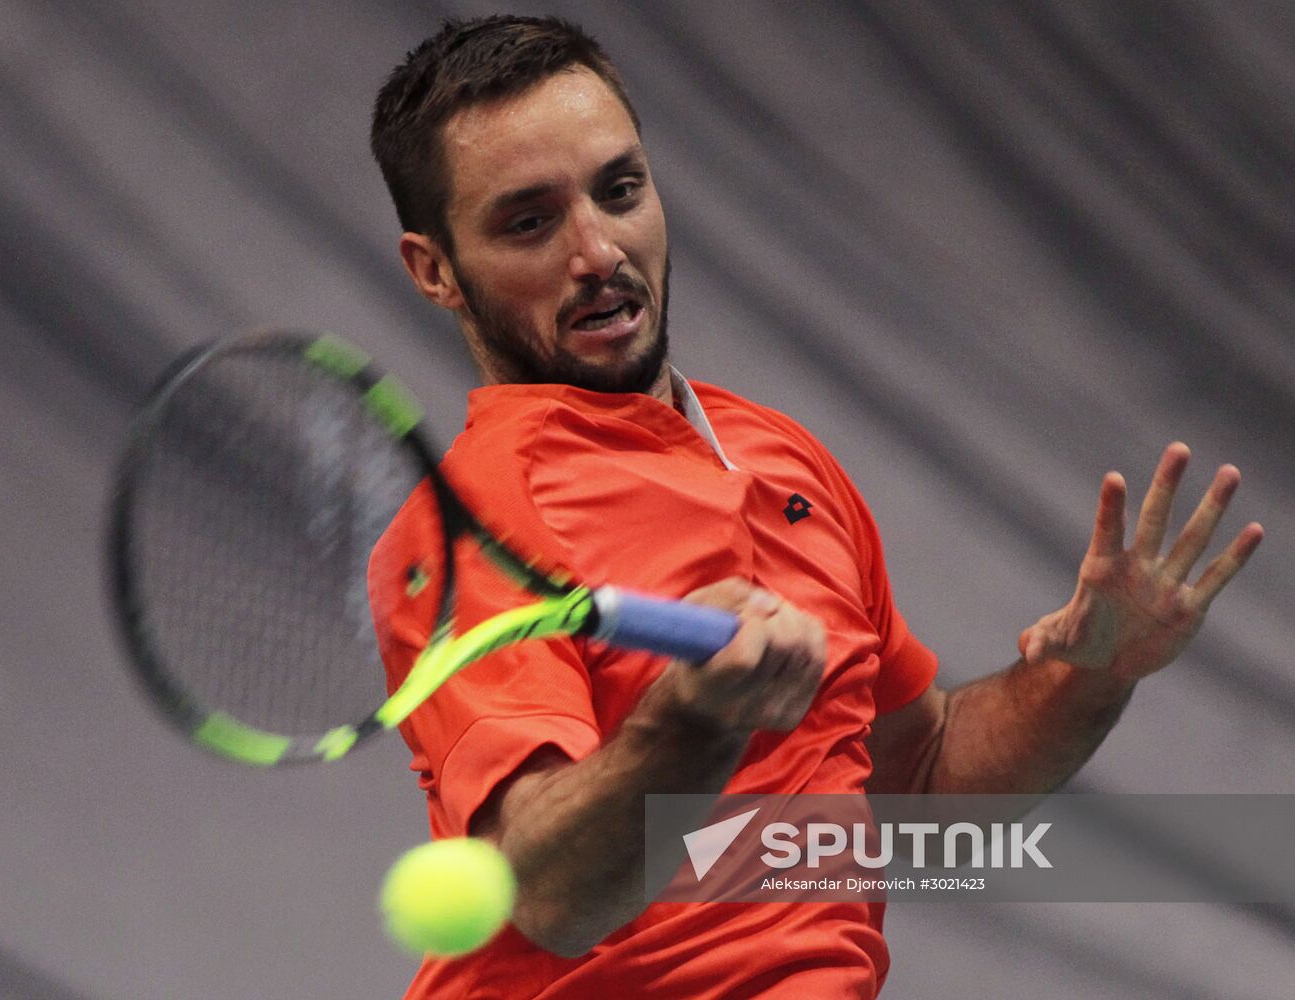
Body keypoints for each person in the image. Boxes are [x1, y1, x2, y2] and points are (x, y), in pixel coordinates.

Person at [366, 15, 1263, 999]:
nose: (597, 251)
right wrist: (694, 723)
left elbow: (915, 784)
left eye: (620, 191)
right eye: (529, 221)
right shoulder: (474, 522)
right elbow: (555, 896)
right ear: (435, 269)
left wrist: (1087, 673)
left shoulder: (785, 456)